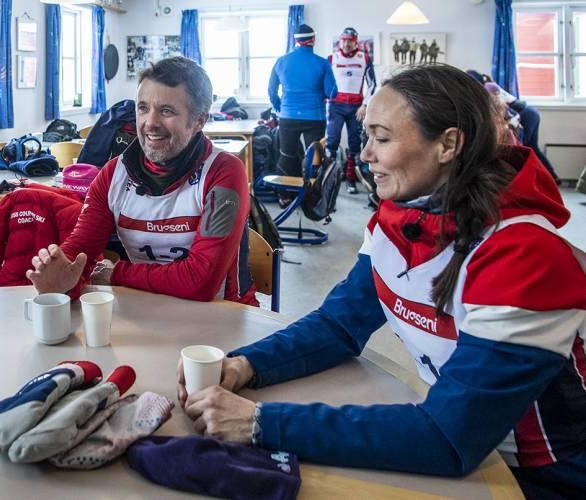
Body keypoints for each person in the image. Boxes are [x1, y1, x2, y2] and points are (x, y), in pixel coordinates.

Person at [178, 64, 586, 498]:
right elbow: (338, 325)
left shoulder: (524, 255)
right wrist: (246, 364)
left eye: (382, 137)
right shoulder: (399, 219)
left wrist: (260, 422)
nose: (365, 154)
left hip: (546, 474)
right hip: (466, 451)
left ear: (448, 144)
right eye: (366, 135)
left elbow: (449, 436)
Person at [26, 56, 256, 305]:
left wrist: (115, 273)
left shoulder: (224, 172)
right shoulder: (113, 174)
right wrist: (61, 275)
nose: (150, 123)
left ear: (199, 120)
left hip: (222, 316)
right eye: (143, 108)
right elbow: (79, 252)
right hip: (146, 309)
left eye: (166, 111)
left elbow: (201, 281)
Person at [267, 24, 337, 182]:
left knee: (287, 155)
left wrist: (280, 106)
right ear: (313, 40)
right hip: (315, 117)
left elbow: (272, 90)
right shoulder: (322, 63)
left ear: (295, 41)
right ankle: (312, 192)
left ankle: (285, 195)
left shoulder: (281, 61)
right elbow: (331, 92)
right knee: (315, 157)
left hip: (288, 116)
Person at [466, 70, 561, 183]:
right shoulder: (488, 86)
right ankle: (552, 177)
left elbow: (504, 111)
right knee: (532, 148)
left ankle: (539, 179)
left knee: (521, 150)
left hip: (526, 115)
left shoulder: (488, 89)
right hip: (528, 114)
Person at [326, 27, 376, 194]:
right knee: (332, 142)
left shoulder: (364, 58)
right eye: (344, 40)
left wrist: (365, 105)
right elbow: (324, 83)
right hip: (336, 105)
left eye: (350, 40)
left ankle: (351, 180)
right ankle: (329, 180)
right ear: (340, 41)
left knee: (355, 144)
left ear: (356, 42)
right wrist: (326, 104)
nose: (346, 44)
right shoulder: (332, 58)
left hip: (356, 107)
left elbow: (372, 85)